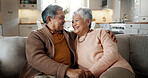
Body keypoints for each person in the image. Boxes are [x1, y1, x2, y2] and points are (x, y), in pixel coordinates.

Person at [19, 4, 116, 78]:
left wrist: (105, 33)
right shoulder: (36, 35)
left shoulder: (69, 35)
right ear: (49, 19)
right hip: (42, 74)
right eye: (61, 18)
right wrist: (67, 71)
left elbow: (84, 32)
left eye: (64, 18)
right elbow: (36, 58)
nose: (65, 21)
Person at [72, 8, 135, 78]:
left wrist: (90, 72)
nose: (74, 24)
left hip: (115, 67)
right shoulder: (73, 40)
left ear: (88, 22)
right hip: (94, 75)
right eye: (72, 22)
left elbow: (112, 54)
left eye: (77, 20)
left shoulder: (101, 32)